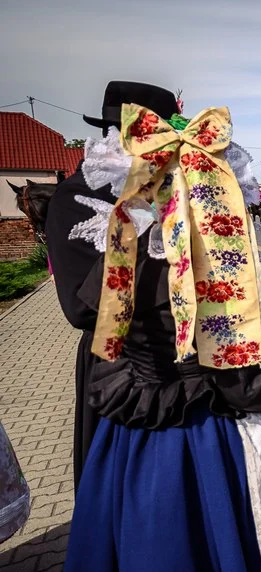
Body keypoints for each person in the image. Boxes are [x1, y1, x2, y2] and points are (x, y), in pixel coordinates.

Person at [51, 101, 261, 572]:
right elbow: (223, 381)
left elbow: (109, 364)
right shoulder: (178, 259)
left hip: (144, 446)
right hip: (190, 443)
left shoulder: (131, 249)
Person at [42, 81, 180, 493]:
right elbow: (80, 308)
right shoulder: (77, 195)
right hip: (126, 369)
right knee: (135, 493)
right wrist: (139, 229)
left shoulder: (182, 191)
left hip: (191, 362)